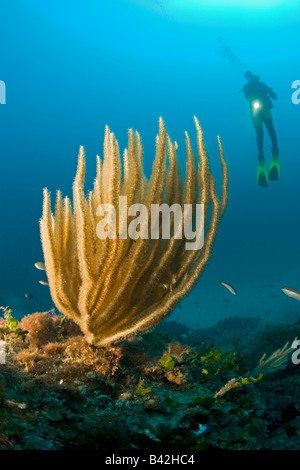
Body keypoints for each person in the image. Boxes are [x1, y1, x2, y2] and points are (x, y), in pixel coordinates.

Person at [243, 71, 280, 186]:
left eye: (252, 76)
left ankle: (275, 151)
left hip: (266, 110)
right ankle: (261, 157)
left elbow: (275, 96)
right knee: (260, 134)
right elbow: (247, 96)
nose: (251, 78)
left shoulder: (262, 84)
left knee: (271, 129)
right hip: (255, 112)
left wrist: (269, 91)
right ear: (247, 78)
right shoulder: (247, 87)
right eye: (248, 76)